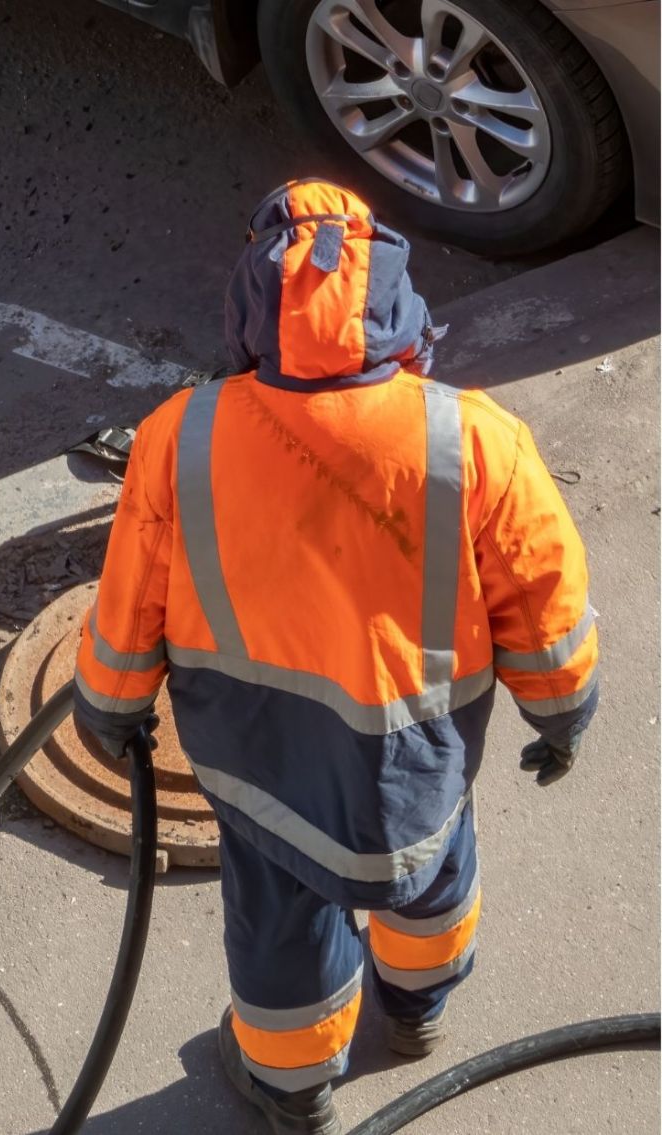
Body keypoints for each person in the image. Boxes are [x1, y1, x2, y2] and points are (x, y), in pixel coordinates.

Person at [73, 180, 597, 1134]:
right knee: (431, 876)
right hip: (419, 758)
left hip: (261, 759)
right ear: (401, 303)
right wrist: (561, 712)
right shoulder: (472, 434)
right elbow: (541, 590)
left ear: (249, 307)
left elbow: (132, 591)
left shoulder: (181, 434)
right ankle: (418, 1014)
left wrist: (108, 703)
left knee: (283, 923)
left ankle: (291, 1088)